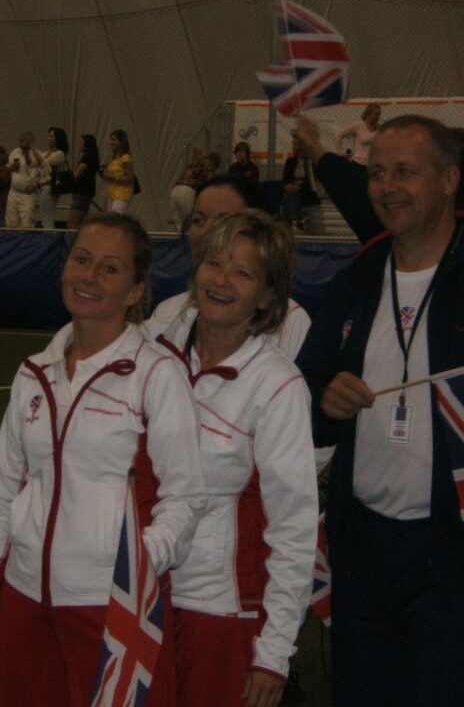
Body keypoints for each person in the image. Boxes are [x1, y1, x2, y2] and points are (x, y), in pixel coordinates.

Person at [297, 115, 464, 706]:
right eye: (376, 173)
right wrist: (325, 398)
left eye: (404, 171)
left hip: (456, 553)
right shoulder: (357, 278)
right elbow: (306, 391)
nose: (386, 187)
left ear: (449, 179)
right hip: (363, 549)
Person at [0, 212, 206, 707]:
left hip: (109, 607)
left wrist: (134, 569)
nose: (89, 277)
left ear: (136, 291)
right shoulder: (33, 373)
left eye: (110, 269)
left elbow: (185, 498)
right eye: (82, 260)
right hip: (26, 599)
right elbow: (4, 495)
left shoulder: (156, 375)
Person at [148, 210, 317, 707]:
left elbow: (294, 527)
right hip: (139, 594)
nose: (221, 281)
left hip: (218, 612)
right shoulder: (152, 353)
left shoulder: (277, 385)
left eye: (242, 273)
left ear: (267, 296)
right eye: (214, 263)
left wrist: (275, 650)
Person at [144, 174, 312, 362]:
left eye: (224, 221)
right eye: (198, 220)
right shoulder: (166, 312)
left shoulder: (293, 322)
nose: (208, 231)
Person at [5, 131, 46, 228]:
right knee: (11, 223)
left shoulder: (38, 154)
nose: (21, 143)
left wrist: (35, 185)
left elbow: (42, 174)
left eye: (24, 141)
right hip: (14, 192)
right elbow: (8, 169)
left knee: (26, 223)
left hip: (28, 195)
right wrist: (12, 168)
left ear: (30, 142)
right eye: (20, 141)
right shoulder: (14, 153)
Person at [281, 136, 315, 233]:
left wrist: (299, 187)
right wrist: (286, 186)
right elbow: (285, 178)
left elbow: (311, 181)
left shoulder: (310, 162)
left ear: (302, 146)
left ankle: (291, 222)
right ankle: (293, 223)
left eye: (295, 144)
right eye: (293, 144)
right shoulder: (290, 161)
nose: (293, 146)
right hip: (293, 190)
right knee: (289, 194)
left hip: (306, 191)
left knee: (292, 195)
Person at [335, 102, 381, 167]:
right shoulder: (358, 126)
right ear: (368, 114)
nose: (378, 117)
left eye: (379, 114)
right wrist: (340, 153)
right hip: (358, 163)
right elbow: (338, 134)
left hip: (372, 164)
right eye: (376, 114)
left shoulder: (380, 128)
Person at [68, 134, 99, 230]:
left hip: (82, 193)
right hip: (87, 193)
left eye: (81, 142)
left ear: (87, 144)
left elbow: (76, 173)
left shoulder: (87, 157)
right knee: (83, 224)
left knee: (72, 225)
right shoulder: (93, 157)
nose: (79, 144)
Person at [100, 129, 135, 213]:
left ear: (121, 142)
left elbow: (129, 178)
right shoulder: (114, 158)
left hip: (121, 195)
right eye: (111, 140)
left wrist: (113, 177)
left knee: (115, 217)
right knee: (110, 218)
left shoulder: (125, 158)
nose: (111, 142)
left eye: (114, 140)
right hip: (112, 193)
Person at [39, 127, 68, 229]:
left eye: (51, 136)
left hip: (50, 186)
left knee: (47, 217)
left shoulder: (60, 154)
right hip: (43, 187)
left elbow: (45, 163)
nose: (49, 138)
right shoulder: (46, 153)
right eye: (49, 136)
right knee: (44, 216)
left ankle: (49, 235)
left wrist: (32, 149)